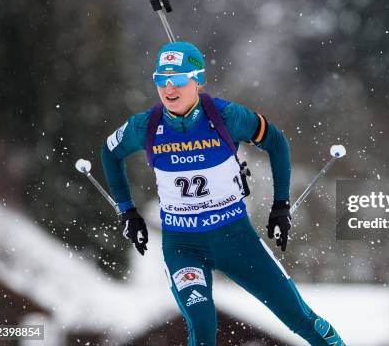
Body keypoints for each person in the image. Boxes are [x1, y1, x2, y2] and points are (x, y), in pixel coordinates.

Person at [100, 41, 345, 345]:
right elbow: (109, 153)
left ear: (197, 81)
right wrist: (128, 211)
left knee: (300, 318)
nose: (168, 89)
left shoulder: (226, 117)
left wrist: (280, 205)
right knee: (202, 327)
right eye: (160, 80)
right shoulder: (145, 126)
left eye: (177, 80)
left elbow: (276, 142)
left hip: (235, 238)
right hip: (183, 245)